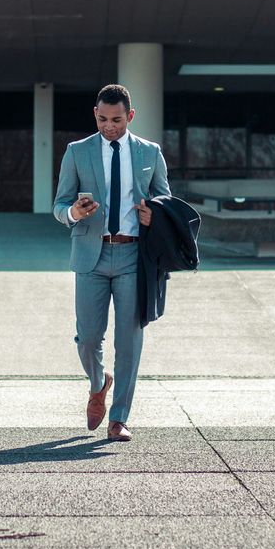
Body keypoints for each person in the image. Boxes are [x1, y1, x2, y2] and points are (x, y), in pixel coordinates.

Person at [53, 84, 170, 442]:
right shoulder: (77, 152)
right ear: (95, 114)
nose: (109, 126)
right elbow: (58, 206)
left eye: (116, 119)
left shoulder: (150, 152)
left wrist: (156, 215)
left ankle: (118, 418)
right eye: (103, 119)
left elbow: (166, 198)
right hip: (91, 254)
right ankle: (98, 381)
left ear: (129, 116)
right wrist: (73, 212)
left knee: (130, 340)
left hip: (134, 256)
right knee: (88, 338)